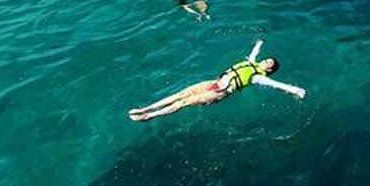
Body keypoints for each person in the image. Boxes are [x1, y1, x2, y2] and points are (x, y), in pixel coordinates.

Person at [127, 40, 306, 121]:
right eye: (268, 59)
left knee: (183, 103)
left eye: (270, 63)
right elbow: (253, 54)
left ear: (269, 70)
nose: (267, 61)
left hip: (219, 93)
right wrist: (259, 43)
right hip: (213, 82)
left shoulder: (259, 78)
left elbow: (277, 85)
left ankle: (149, 116)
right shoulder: (252, 63)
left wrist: (295, 90)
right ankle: (146, 108)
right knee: (179, 94)